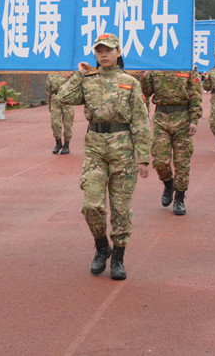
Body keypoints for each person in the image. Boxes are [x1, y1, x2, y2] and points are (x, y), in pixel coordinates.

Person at [56, 34, 150, 280]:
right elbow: (63, 97)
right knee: (92, 206)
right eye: (99, 51)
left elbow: (141, 120)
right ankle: (101, 247)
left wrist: (143, 157)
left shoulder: (130, 82)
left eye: (108, 50)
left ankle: (118, 258)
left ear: (118, 52)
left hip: (123, 149)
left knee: (120, 209)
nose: (103, 55)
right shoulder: (89, 81)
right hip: (96, 147)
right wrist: (79, 74)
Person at [140, 67, 202, 216]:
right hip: (162, 117)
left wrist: (194, 119)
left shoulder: (188, 67)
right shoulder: (156, 66)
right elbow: (147, 93)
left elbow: (195, 95)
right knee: (160, 161)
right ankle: (168, 184)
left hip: (182, 118)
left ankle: (179, 198)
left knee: (182, 162)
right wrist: (143, 78)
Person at [46, 72, 75, 154]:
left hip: (67, 99)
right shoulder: (51, 74)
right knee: (55, 123)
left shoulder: (70, 72)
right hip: (55, 99)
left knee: (68, 123)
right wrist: (49, 104)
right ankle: (58, 143)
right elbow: (48, 90)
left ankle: (66, 145)